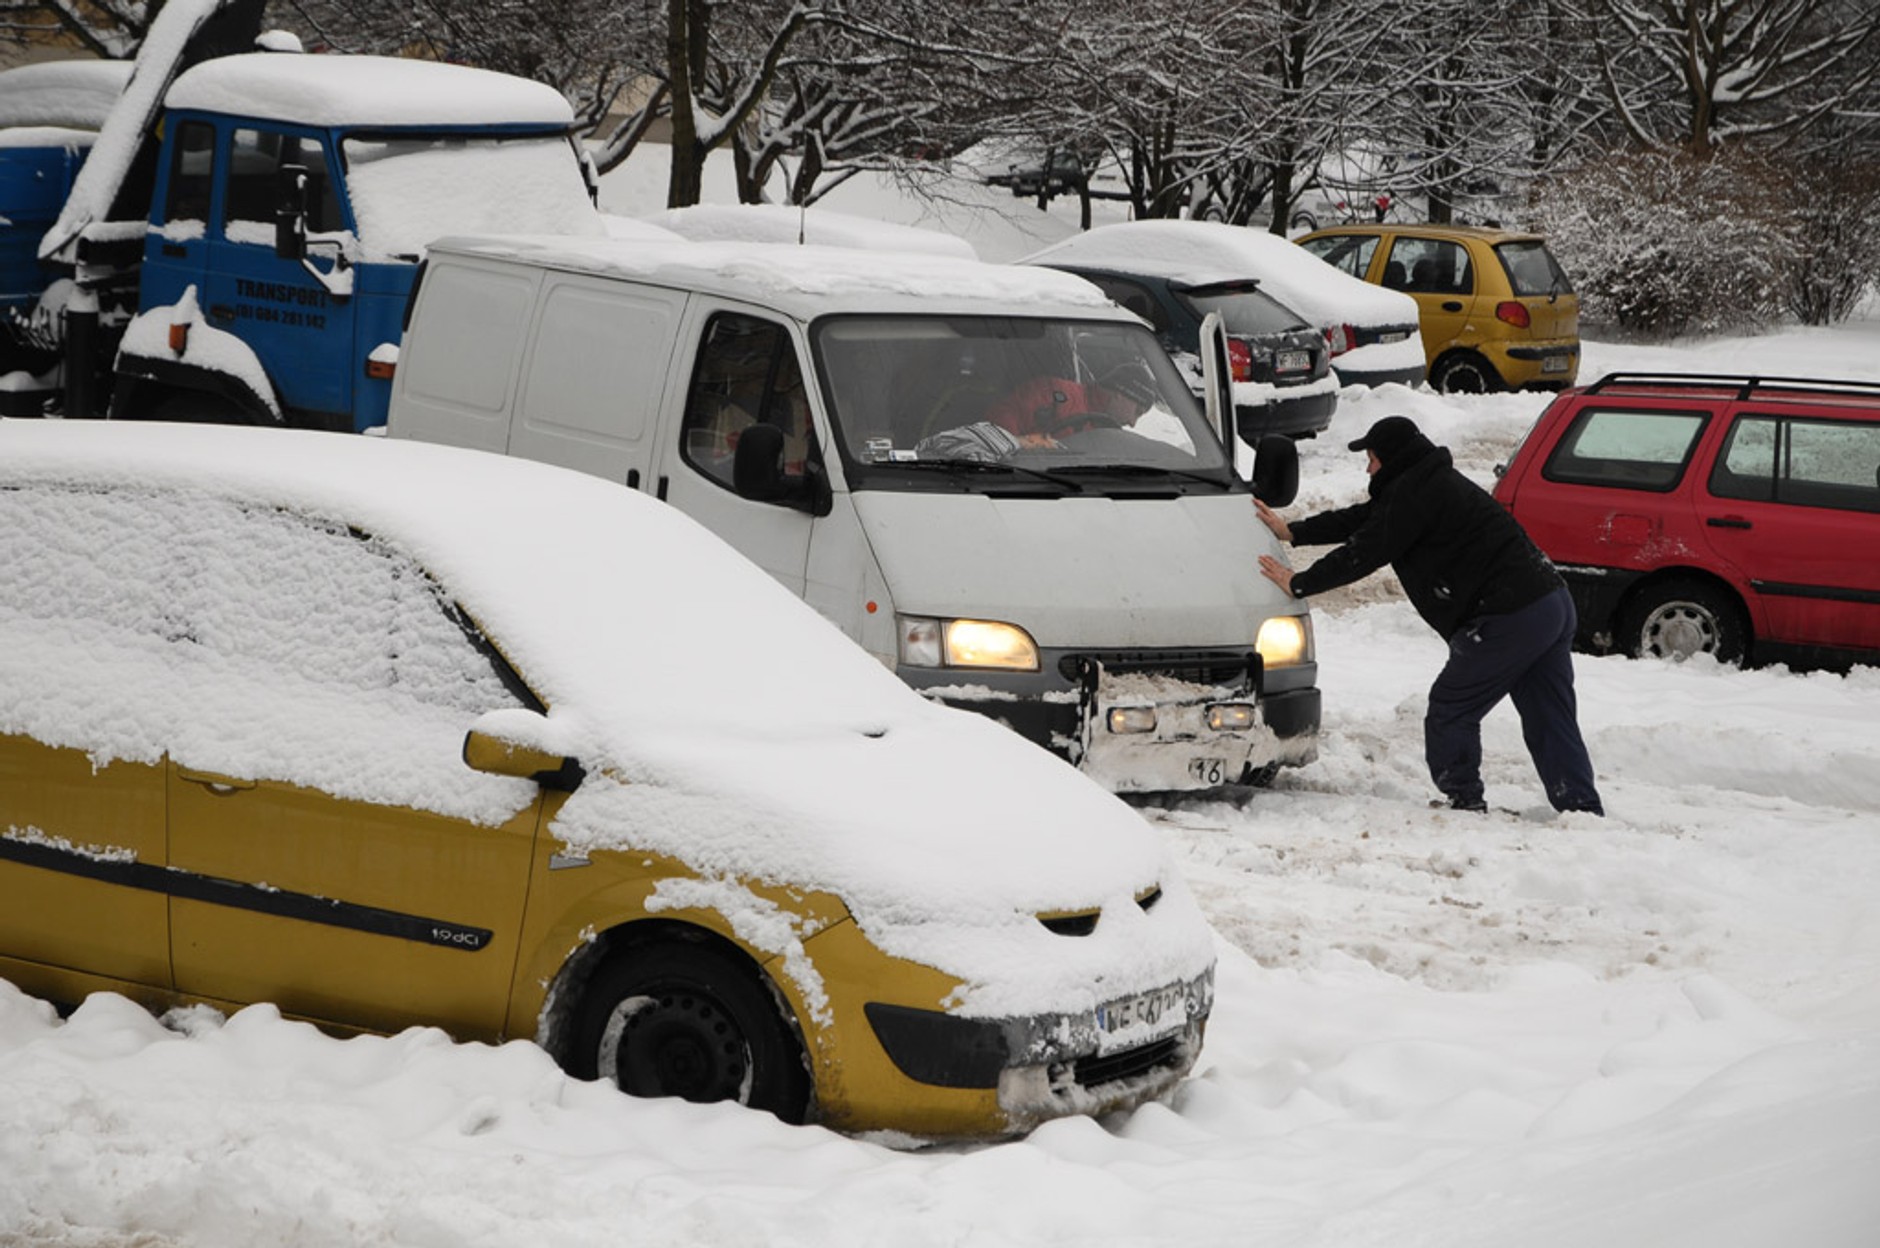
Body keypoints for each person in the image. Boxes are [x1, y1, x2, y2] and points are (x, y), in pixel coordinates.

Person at [1254, 415, 1604, 816]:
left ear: (1391, 457)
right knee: (1549, 715)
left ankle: (1463, 799)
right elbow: (1366, 520)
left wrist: (1300, 582)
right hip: (1550, 603)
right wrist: (1293, 531)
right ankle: (1580, 808)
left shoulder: (1414, 495)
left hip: (1510, 614)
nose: (1368, 468)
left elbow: (1364, 551)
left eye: (1371, 459)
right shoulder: (1424, 484)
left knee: (1451, 707)